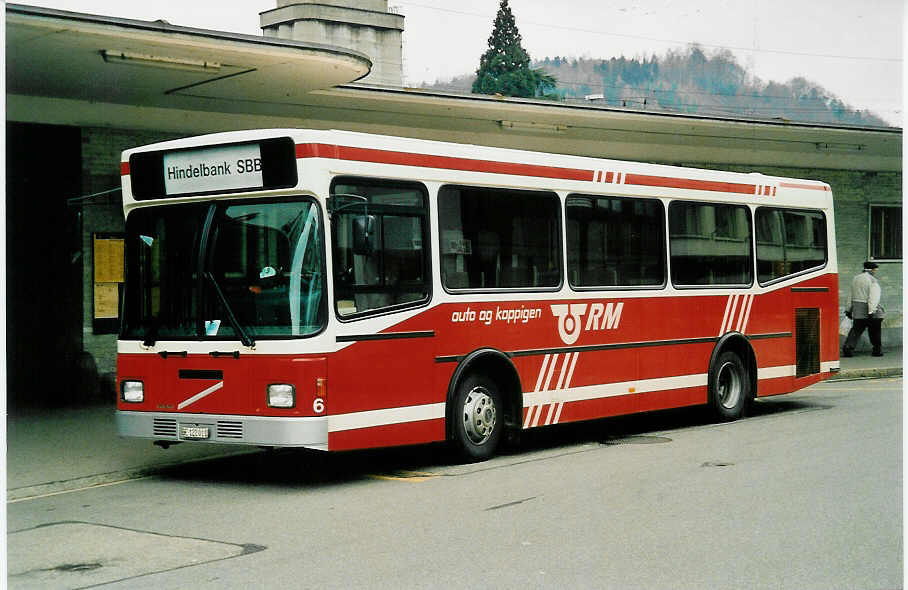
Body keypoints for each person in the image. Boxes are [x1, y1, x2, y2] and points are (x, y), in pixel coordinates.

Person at [842, 261, 884, 357]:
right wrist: (871, 310)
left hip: (857, 310)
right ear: (872, 270)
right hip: (870, 310)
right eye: (875, 270)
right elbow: (874, 297)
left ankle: (848, 347)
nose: (875, 272)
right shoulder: (873, 280)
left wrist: (848, 309)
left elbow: (850, 296)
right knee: (875, 331)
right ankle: (877, 350)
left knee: (856, 330)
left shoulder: (855, 279)